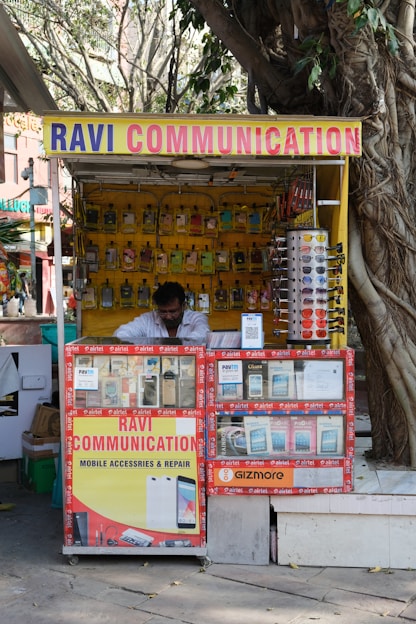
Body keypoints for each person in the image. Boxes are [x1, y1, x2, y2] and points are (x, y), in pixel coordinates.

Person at [114, 281, 210, 342]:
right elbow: (121, 334)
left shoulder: (196, 318)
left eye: (173, 311)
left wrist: (179, 346)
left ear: (183, 306)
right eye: (163, 312)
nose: (168, 316)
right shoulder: (147, 319)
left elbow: (202, 334)